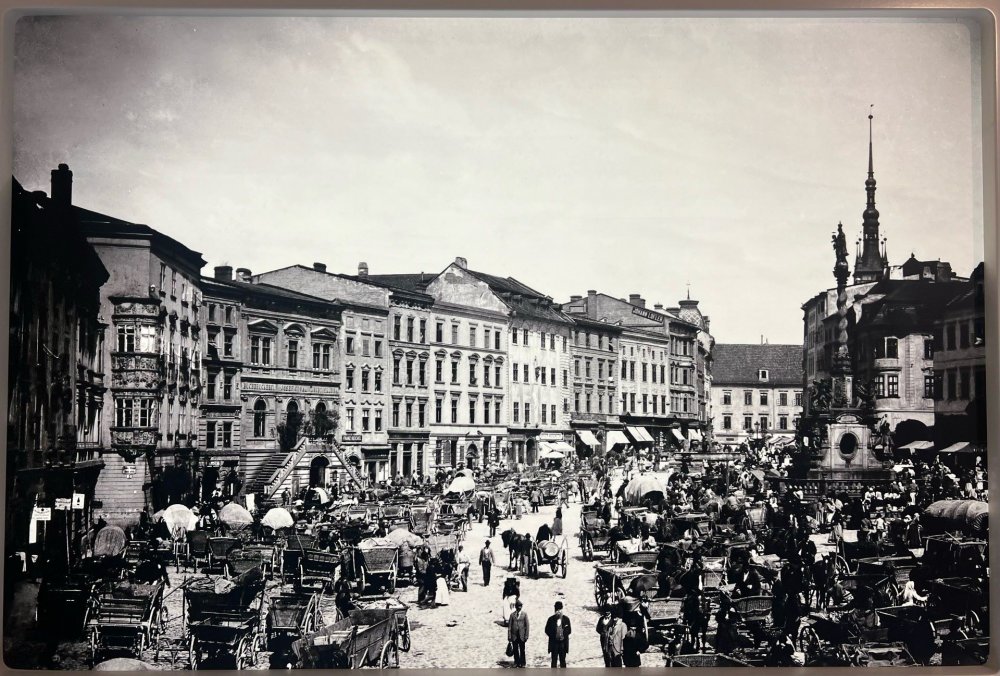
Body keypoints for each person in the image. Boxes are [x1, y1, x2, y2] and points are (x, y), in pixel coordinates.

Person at [545, 601, 572, 667]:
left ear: (562, 609)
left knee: (563, 661)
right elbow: (546, 630)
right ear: (555, 609)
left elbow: (569, 630)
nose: (558, 611)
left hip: (563, 643)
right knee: (554, 662)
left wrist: (563, 635)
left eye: (559, 609)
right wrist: (554, 636)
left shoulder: (566, 619)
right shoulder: (551, 619)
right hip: (554, 644)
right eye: (557, 609)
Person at [508, 600, 529, 667]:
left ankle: (523, 663)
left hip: (521, 635)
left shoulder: (524, 614)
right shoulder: (512, 615)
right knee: (515, 649)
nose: (519, 608)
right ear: (516, 607)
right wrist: (509, 636)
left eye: (520, 606)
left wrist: (526, 635)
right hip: (514, 635)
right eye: (518, 606)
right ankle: (516, 662)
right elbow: (509, 627)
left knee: (522, 650)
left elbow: (527, 625)